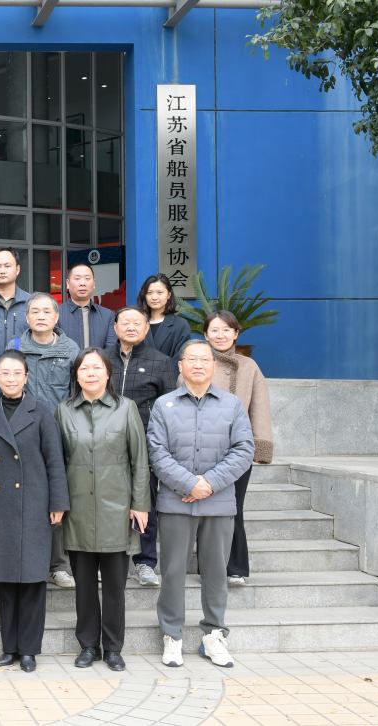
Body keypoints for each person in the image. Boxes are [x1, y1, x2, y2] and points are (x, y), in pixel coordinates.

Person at [148, 339, 254, 669]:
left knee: (216, 573)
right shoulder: (164, 405)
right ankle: (172, 635)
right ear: (180, 366)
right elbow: (157, 452)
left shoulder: (232, 405)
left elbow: (244, 450)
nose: (197, 365)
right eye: (191, 359)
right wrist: (189, 483)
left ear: (213, 366)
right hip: (175, 502)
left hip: (218, 503)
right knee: (172, 572)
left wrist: (208, 483)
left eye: (204, 360)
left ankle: (214, 635)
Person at [56, 348, 151, 673]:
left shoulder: (126, 408)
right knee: (83, 586)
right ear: (77, 374)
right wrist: (58, 504)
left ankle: (112, 647)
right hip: (78, 511)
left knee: (114, 587)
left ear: (108, 373)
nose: (91, 373)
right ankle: (87, 645)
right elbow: (58, 463)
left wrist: (140, 503)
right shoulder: (63, 411)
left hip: (117, 510)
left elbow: (140, 460)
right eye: (84, 368)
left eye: (97, 368)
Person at [0, 350, 69, 673]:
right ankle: (9, 647)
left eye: (17, 373)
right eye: (5, 373)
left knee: (32, 579)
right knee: (5, 579)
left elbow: (54, 460)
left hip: (34, 502)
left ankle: (29, 649)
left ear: (26, 377)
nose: (11, 378)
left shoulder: (41, 411)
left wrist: (58, 502)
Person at [8, 292, 80, 590]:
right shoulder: (15, 347)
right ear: (26, 318)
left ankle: (58, 564)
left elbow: (76, 392)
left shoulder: (70, 349)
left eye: (46, 311)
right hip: (21, 432)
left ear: (56, 316)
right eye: (34, 312)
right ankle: (25, 559)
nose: (40, 316)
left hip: (58, 432)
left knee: (57, 496)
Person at [102, 307, 175, 588]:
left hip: (143, 445)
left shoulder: (161, 361)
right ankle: (108, 558)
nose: (131, 327)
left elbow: (168, 407)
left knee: (145, 502)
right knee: (107, 503)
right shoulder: (101, 358)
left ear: (146, 328)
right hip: (104, 445)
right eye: (125, 322)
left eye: (137, 323)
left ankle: (145, 561)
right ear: (115, 327)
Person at [203, 310, 274, 586]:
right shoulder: (197, 360)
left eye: (226, 330)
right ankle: (209, 565)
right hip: (203, 447)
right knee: (206, 508)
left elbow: (260, 406)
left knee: (234, 507)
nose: (220, 335)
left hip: (238, 449)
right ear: (205, 334)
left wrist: (261, 445)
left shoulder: (249, 366)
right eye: (214, 330)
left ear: (236, 333)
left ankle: (236, 567)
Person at [58, 263, 117, 350]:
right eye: (77, 278)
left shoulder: (107, 315)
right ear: (68, 283)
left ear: (94, 283)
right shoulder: (56, 313)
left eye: (87, 278)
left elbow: (111, 350)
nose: (82, 283)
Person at [137, 273, 191, 363]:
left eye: (159, 293)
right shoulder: (136, 323)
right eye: (149, 293)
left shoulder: (180, 325)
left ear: (169, 295)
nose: (154, 297)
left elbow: (181, 357)